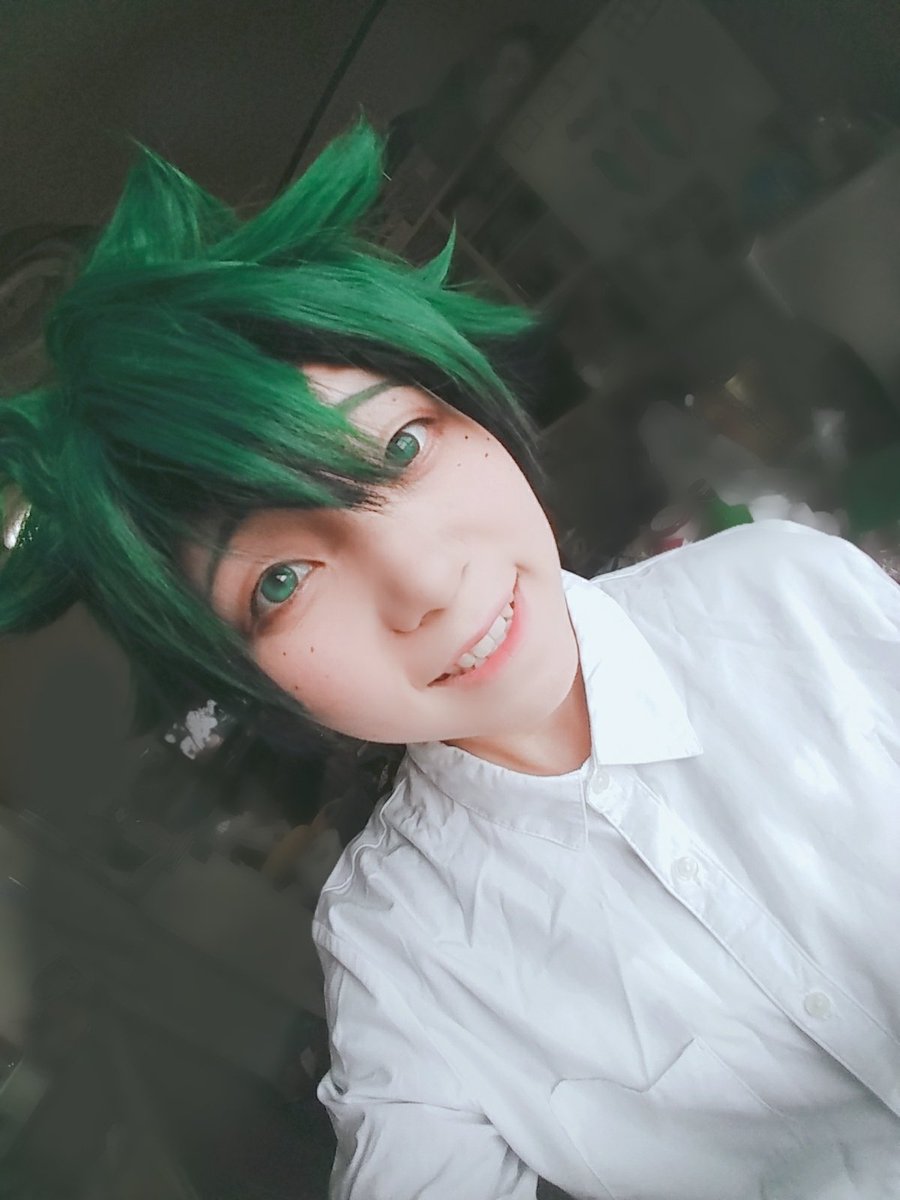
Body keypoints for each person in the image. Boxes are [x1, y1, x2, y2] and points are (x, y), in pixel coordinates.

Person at [1, 120, 899, 1200]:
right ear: (247, 677)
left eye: (400, 448)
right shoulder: (400, 953)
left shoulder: (783, 591)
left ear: (471, 404)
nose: (422, 580)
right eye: (280, 582)